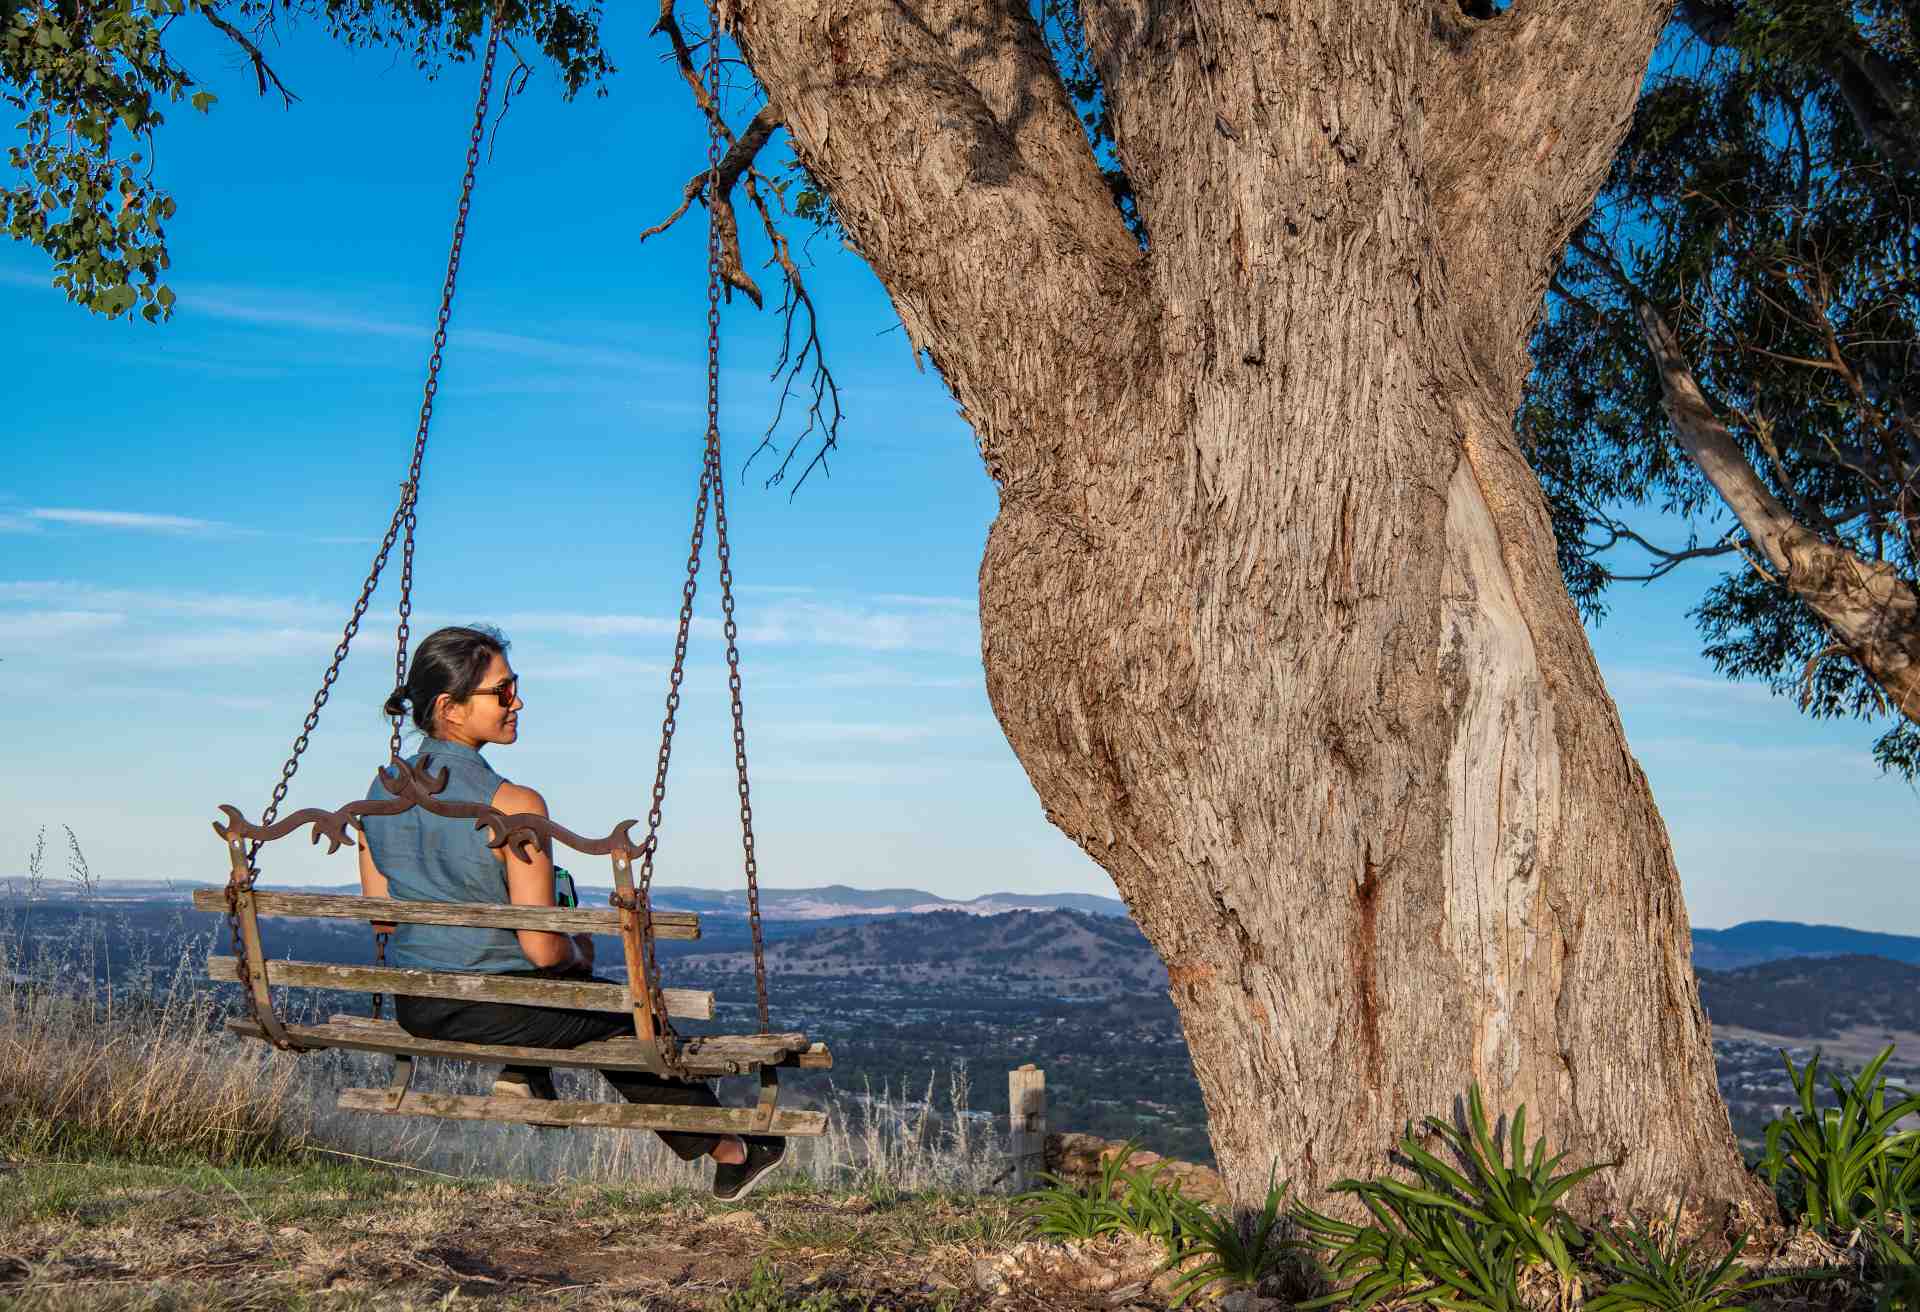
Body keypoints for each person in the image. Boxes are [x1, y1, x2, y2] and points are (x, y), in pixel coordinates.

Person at [356, 624, 785, 1201]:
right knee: (630, 1014)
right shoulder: (514, 805)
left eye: (515, 688)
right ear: (449, 707)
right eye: (502, 692)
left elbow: (382, 920)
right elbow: (542, 949)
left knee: (573, 1007)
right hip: (494, 1007)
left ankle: (525, 1074)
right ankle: (728, 1151)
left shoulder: (378, 794)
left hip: (418, 1005)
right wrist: (579, 950)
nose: (518, 702)